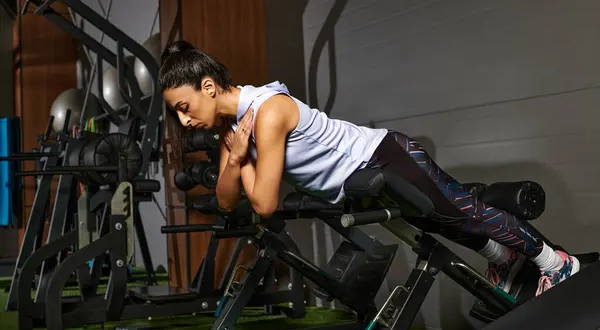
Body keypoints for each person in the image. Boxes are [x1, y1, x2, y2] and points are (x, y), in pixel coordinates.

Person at [158, 40, 579, 297]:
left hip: (384, 157)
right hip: (364, 176)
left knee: (462, 211)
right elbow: (231, 200)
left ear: (208, 87)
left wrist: (237, 161)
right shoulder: (234, 128)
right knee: (439, 223)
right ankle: (503, 259)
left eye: (184, 107)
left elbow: (263, 203)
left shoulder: (267, 114)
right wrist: (233, 159)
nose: (184, 120)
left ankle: (554, 262)